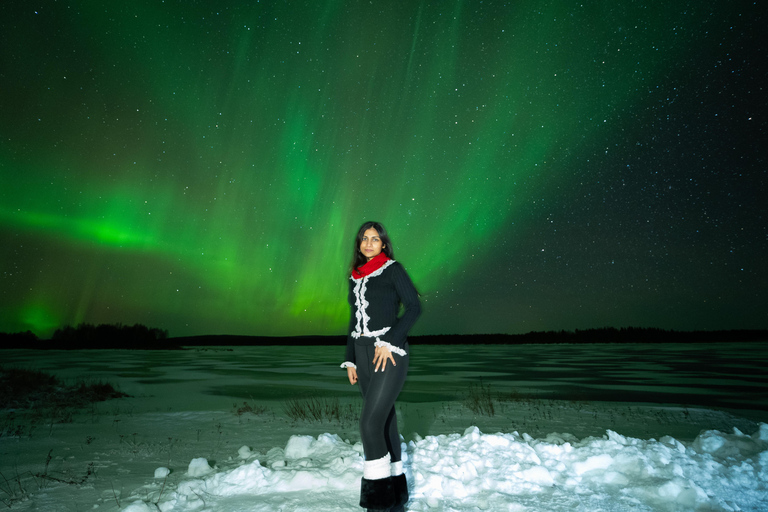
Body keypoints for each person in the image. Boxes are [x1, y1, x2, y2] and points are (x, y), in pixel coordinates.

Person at [341, 221, 421, 511]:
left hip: (388, 350)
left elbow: (414, 307)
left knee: (369, 423)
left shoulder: (392, 269)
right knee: (385, 421)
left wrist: (389, 341)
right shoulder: (355, 276)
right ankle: (396, 500)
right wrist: (350, 357)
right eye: (364, 238)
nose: (369, 243)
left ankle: (378, 505)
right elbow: (354, 320)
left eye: (375, 239)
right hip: (361, 352)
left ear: (384, 244)